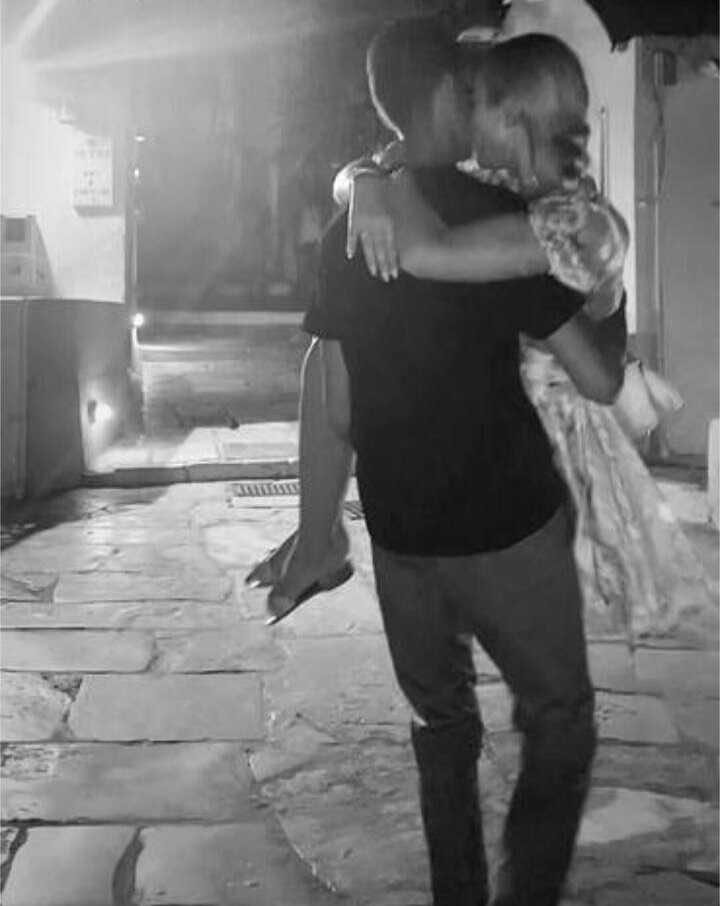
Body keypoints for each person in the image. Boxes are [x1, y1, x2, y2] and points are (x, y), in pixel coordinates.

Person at [252, 19, 626, 906]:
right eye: (478, 92)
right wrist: (608, 304)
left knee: (441, 721)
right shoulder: (501, 218)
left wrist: (317, 532)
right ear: (451, 97)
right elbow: (598, 376)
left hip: (401, 535)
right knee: (561, 719)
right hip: (509, 528)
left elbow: (331, 397)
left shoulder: (354, 226)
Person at [324, 33, 717, 648]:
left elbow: (425, 252)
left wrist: (380, 186)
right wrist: (365, 178)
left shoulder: (566, 221)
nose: (463, 117)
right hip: (512, 435)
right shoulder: (524, 191)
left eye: (474, 100)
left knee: (538, 646)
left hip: (552, 446)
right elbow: (373, 165)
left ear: (511, 117)